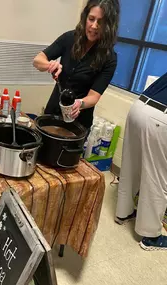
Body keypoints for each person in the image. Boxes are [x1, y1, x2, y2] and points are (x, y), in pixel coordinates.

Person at [33, 0, 119, 129]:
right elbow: (38, 60)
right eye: (91, 19)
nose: (94, 26)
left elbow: (94, 96)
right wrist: (50, 65)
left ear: (109, 25)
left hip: (78, 123)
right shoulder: (69, 38)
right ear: (85, 18)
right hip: (52, 113)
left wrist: (80, 103)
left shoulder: (109, 58)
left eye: (100, 22)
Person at [115, 72, 167, 250]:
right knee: (158, 177)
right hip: (161, 118)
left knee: (131, 164)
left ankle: (123, 212)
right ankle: (150, 237)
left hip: (139, 106)